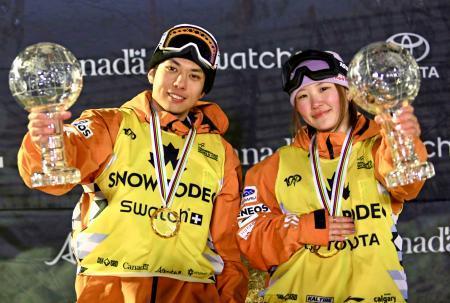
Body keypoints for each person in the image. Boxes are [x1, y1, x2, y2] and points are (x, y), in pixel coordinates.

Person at [18, 23, 248, 303]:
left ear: (203, 91)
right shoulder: (109, 124)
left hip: (191, 292)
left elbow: (227, 245)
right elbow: (56, 176)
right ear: (152, 73)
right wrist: (45, 142)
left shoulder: (222, 153)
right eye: (171, 68)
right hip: (110, 290)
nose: (179, 83)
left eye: (194, 75)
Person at [236, 49, 428, 303]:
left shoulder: (378, 148)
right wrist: (303, 228)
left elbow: (407, 185)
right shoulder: (273, 167)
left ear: (348, 91)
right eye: (303, 96)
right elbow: (251, 242)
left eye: (324, 89)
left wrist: (404, 141)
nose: (315, 103)